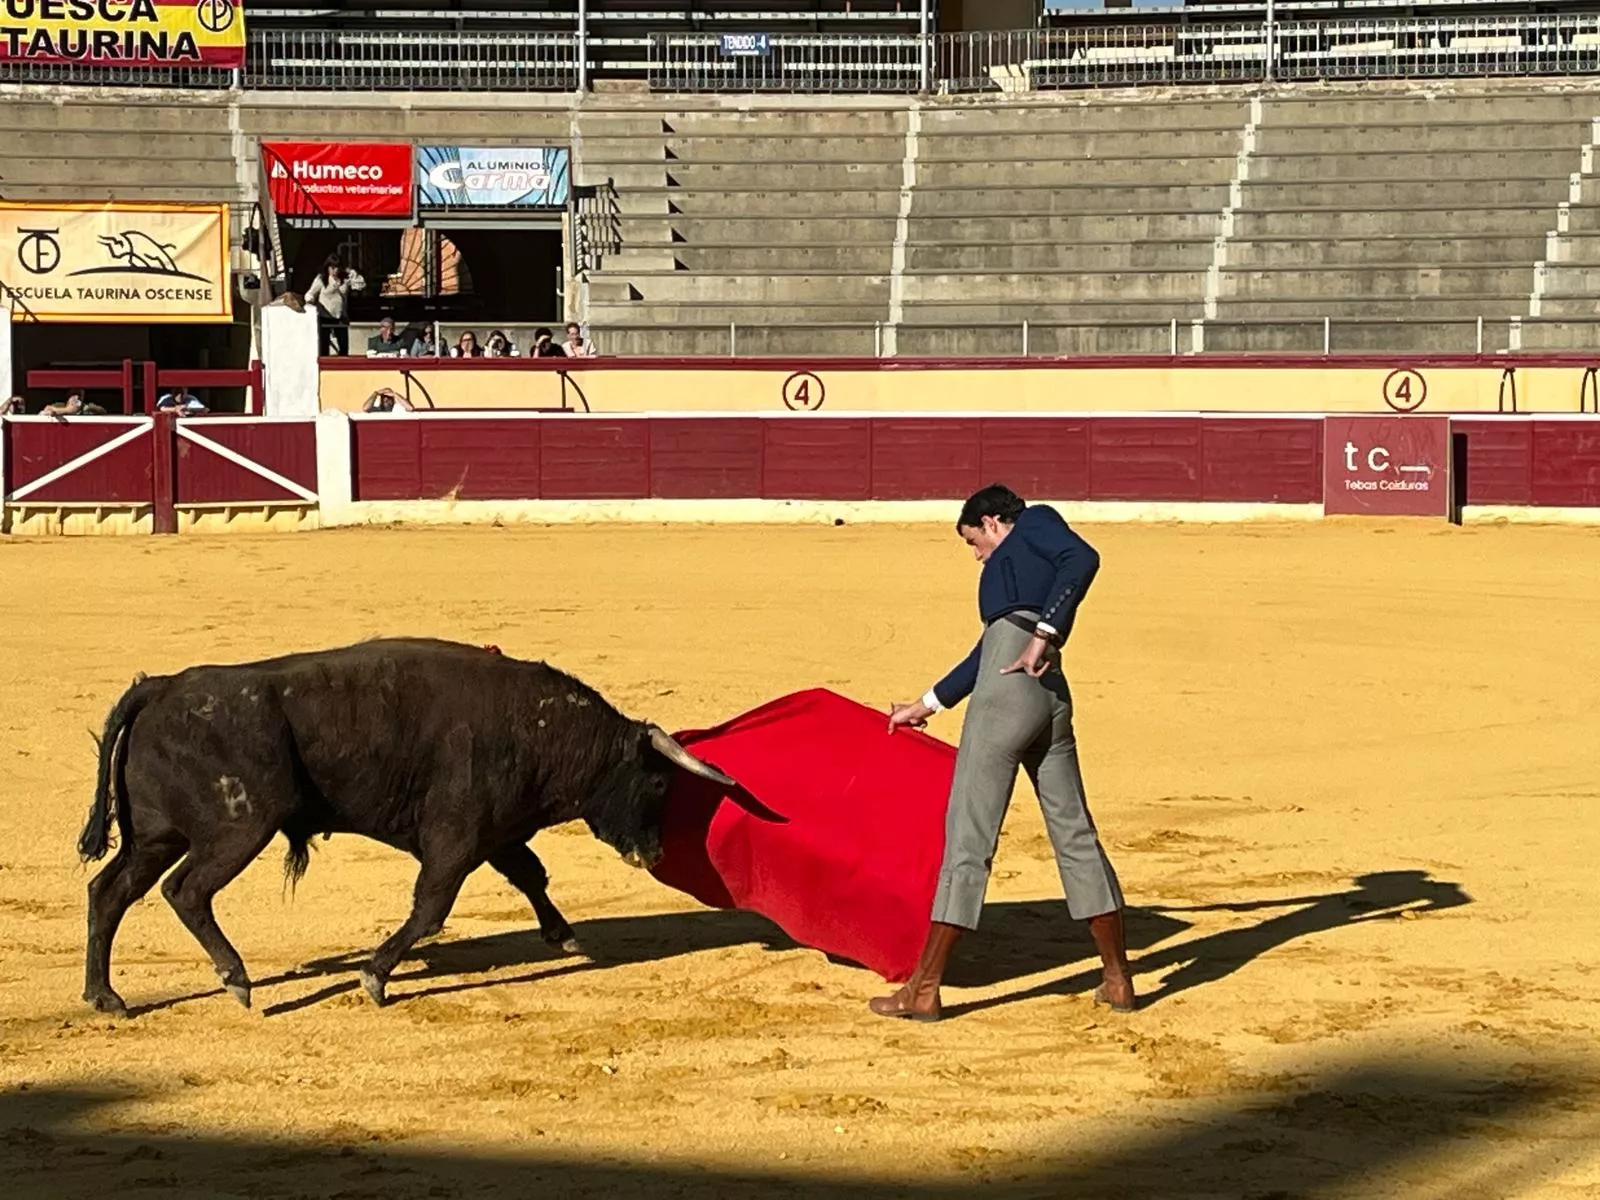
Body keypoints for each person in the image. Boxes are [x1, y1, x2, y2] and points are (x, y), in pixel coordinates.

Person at [875, 483, 1134, 1022]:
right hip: (1048, 693)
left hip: (1009, 693)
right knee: (1075, 832)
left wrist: (1044, 632)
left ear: (993, 522)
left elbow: (1083, 559)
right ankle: (1117, 979)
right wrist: (928, 703)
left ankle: (923, 988)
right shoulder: (1026, 563)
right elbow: (986, 653)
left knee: (968, 839)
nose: (976, 555)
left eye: (975, 542)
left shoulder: (1035, 522)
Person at [305, 256, 365, 356]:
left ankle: (343, 367)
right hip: (325, 317)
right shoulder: (321, 279)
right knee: (324, 346)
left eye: (337, 267)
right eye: (332, 268)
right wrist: (310, 302)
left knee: (343, 346)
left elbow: (360, 285)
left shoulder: (345, 279)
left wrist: (353, 274)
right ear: (327, 267)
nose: (335, 270)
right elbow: (310, 294)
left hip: (340, 316)